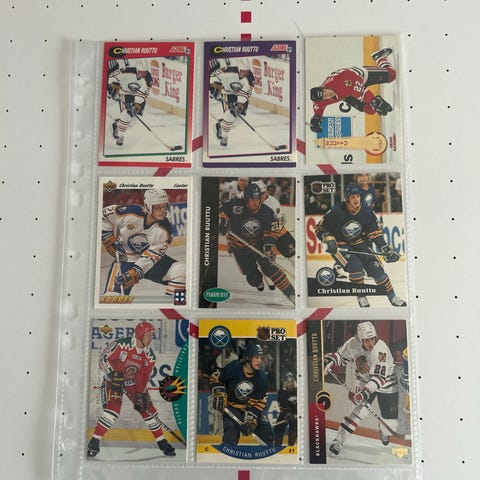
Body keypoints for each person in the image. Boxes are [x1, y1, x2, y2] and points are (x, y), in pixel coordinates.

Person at [87, 321, 176, 457]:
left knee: (149, 410)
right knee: (113, 409)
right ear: (140, 334)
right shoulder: (122, 344)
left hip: (133, 383)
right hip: (113, 381)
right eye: (148, 335)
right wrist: (112, 373)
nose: (151, 338)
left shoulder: (150, 355)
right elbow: (103, 359)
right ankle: (94, 441)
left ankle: (161, 442)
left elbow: (143, 377)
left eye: (152, 335)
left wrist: (140, 394)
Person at [314, 182, 406, 307]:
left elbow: (375, 233)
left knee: (377, 270)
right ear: (347, 198)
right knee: (355, 268)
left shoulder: (366, 212)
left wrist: (385, 248)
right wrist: (328, 239)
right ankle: (361, 296)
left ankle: (392, 297)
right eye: (353, 197)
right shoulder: (337, 211)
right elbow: (320, 228)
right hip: (341, 246)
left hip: (360, 243)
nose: (356, 199)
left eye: (358, 196)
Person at [324, 321, 399, 456]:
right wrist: (331, 362)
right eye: (367, 340)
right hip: (364, 381)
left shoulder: (380, 350)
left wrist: (364, 392)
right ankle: (338, 441)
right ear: (360, 339)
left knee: (390, 421)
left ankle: (384, 429)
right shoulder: (353, 343)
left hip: (386, 384)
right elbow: (341, 356)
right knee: (357, 412)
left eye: (372, 339)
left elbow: (379, 379)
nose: (371, 343)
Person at [101, 189, 186, 302]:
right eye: (158, 207)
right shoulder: (130, 213)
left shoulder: (165, 229)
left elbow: (152, 255)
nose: (163, 210)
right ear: (148, 207)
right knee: (111, 300)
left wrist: (135, 272)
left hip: (151, 264)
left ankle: (172, 306)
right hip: (125, 260)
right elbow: (104, 214)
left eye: (164, 206)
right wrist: (107, 235)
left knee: (183, 272)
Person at [219, 182, 295, 304]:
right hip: (239, 247)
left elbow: (269, 235)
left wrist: (269, 249)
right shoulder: (234, 204)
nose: (256, 202)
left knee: (270, 268)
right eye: (252, 199)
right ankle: (258, 281)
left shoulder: (267, 212)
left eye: (258, 199)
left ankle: (291, 293)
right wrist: (222, 219)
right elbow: (219, 209)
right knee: (253, 279)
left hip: (258, 243)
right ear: (246, 199)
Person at [309, 48, 396, 133]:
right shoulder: (318, 102)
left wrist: (374, 100)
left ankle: (379, 57)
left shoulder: (339, 82)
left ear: (323, 87)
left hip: (359, 75)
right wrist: (315, 121)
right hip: (347, 93)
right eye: (325, 96)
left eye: (325, 91)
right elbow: (317, 113)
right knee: (370, 110)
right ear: (322, 100)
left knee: (392, 75)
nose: (328, 94)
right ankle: (373, 101)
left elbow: (361, 92)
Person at [210, 343, 274, 445]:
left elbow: (260, 401)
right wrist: (219, 393)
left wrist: (250, 420)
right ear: (248, 357)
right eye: (256, 357)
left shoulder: (262, 377)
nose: (260, 361)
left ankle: (265, 454)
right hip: (232, 407)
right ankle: (227, 450)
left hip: (249, 408)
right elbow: (216, 377)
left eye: (260, 358)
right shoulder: (234, 367)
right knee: (231, 433)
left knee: (267, 433)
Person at [209, 57, 255, 147]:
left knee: (239, 120)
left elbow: (246, 93)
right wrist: (213, 86)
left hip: (241, 96)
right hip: (228, 93)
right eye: (244, 71)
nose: (246, 73)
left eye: (248, 71)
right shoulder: (228, 71)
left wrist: (239, 105)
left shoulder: (250, 78)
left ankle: (220, 125)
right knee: (230, 114)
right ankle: (224, 138)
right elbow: (214, 75)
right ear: (239, 69)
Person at [107, 60, 153, 146]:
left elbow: (143, 94)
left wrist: (136, 105)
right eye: (142, 72)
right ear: (137, 69)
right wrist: (112, 86)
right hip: (125, 94)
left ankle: (117, 124)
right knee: (126, 115)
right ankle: (121, 136)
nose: (144, 74)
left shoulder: (148, 79)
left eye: (146, 72)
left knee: (133, 120)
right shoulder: (126, 71)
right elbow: (112, 75)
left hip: (138, 96)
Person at [274, 372, 298, 446]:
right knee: (278, 427)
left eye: (291, 381)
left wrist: (296, 414)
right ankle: (277, 446)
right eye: (287, 382)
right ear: (284, 383)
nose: (290, 383)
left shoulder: (298, 390)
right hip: (285, 413)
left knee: (294, 426)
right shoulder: (282, 392)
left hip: (296, 414)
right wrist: (288, 413)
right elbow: (282, 404)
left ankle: (291, 445)